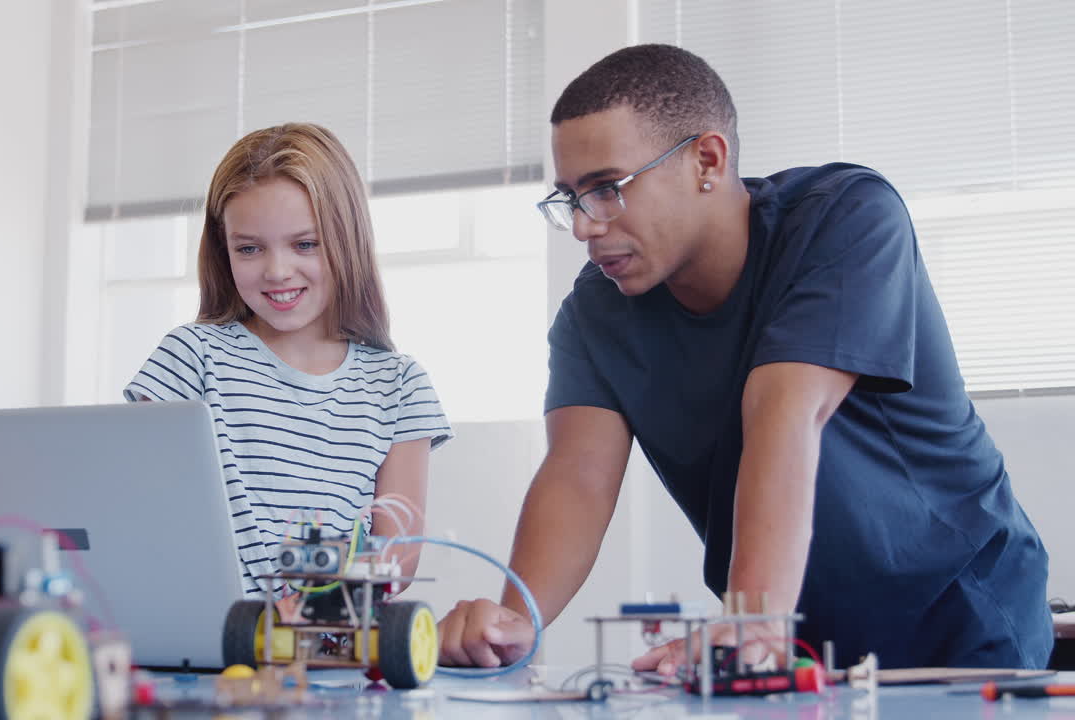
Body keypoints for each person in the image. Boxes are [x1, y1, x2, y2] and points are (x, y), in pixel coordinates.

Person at [437, 44, 1051, 672]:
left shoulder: (846, 217)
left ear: (707, 160)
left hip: (959, 618)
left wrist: (752, 622)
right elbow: (577, 478)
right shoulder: (594, 314)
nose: (584, 226)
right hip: (799, 636)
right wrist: (514, 625)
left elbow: (785, 414)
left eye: (607, 189)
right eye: (570, 198)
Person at [125, 123, 451, 596]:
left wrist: (312, 594)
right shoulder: (191, 358)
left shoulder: (399, 387)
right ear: (224, 251)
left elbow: (396, 563)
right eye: (250, 248)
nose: (277, 272)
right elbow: (141, 514)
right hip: (208, 642)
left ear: (348, 240)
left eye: (305, 244)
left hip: (327, 650)